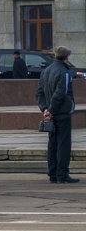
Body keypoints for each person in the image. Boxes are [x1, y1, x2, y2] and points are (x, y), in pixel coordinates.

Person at [37, 45, 78, 183]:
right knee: (63, 144)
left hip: (50, 113)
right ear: (67, 57)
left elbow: (40, 93)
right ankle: (62, 175)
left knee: (52, 144)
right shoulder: (64, 73)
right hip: (62, 114)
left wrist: (45, 110)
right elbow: (60, 94)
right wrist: (52, 111)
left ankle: (53, 174)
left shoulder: (46, 71)